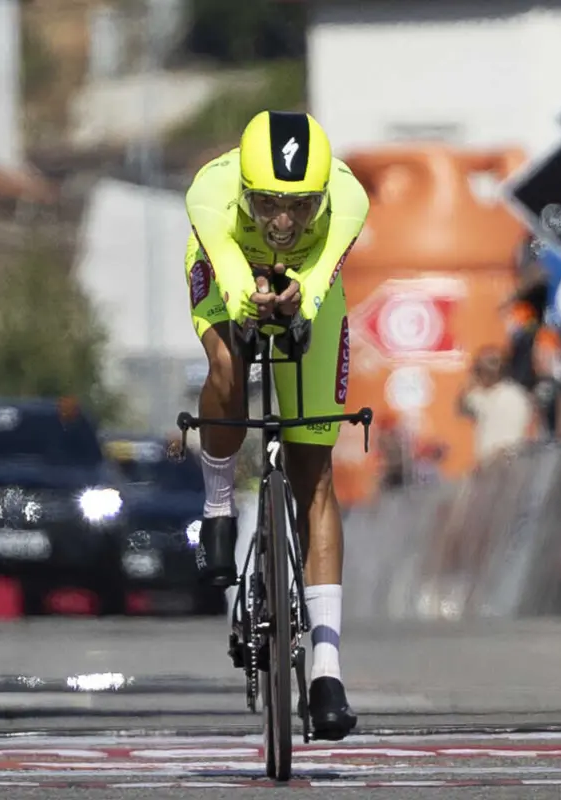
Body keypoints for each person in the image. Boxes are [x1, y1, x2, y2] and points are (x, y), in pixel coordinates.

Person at [183, 110, 369, 741]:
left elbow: (316, 286)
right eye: (265, 204)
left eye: (299, 206)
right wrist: (251, 299)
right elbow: (234, 285)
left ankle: (325, 668)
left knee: (313, 471)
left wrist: (297, 304)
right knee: (229, 368)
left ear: (322, 196)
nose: (283, 222)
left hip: (312, 284)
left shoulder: (349, 199)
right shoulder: (209, 191)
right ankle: (216, 507)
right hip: (227, 265)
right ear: (243, 192)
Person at [456, 346, 534, 464]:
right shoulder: (479, 396)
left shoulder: (516, 396)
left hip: (511, 464)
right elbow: (461, 408)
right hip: (488, 466)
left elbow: (531, 430)